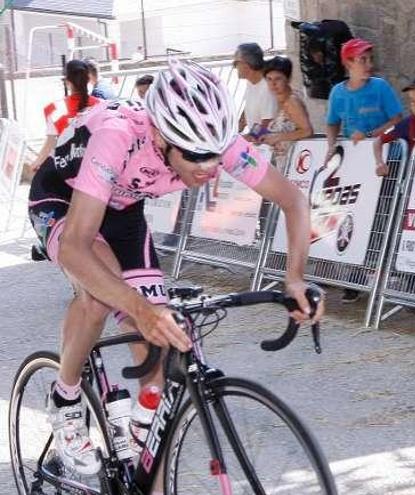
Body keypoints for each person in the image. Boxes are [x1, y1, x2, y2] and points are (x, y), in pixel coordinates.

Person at [28, 59, 323, 479]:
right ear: (162, 136)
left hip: (123, 209)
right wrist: (140, 307)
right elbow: (77, 246)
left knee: (159, 366)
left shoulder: (214, 143)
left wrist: (294, 276)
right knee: (99, 292)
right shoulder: (118, 136)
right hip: (62, 201)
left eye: (215, 154)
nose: (207, 166)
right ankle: (65, 396)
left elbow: (293, 200)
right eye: (195, 155)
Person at [325, 37, 404, 303]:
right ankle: (353, 276)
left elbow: (396, 120)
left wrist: (372, 134)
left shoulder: (380, 88)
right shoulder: (338, 92)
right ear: (348, 63)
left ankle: (384, 271)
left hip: (380, 160)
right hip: (353, 163)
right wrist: (331, 145)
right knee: (351, 216)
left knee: (382, 215)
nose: (368, 64)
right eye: (362, 60)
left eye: (370, 59)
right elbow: (332, 122)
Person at [28, 60, 100, 174]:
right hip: (95, 168)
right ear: (88, 79)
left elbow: (51, 142)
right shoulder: (102, 106)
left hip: (67, 169)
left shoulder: (53, 109)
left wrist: (37, 162)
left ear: (67, 82)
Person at [259, 56, 314, 164]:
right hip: (280, 160)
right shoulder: (280, 100)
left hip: (291, 162)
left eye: (278, 79)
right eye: (269, 79)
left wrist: (278, 137)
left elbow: (307, 131)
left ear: (288, 79)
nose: (273, 84)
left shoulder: (292, 101)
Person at [234, 42, 278, 140]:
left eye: (236, 63)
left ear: (246, 64)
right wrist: (236, 129)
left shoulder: (267, 88)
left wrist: (249, 137)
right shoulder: (251, 83)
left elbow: (267, 123)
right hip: (257, 139)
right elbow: (247, 109)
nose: (234, 67)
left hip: (268, 144)